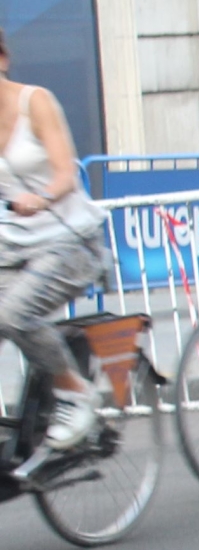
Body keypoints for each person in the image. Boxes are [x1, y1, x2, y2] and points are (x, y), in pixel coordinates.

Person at [0, 26, 111, 450]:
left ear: (3, 59)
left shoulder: (36, 101)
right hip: (14, 244)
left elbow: (66, 172)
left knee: (13, 315)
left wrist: (42, 197)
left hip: (69, 238)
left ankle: (75, 394)